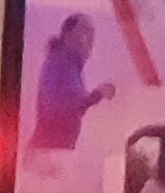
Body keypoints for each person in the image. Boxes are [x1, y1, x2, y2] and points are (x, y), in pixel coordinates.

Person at [30, 11, 114, 159]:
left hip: (54, 150)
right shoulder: (62, 62)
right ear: (67, 35)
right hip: (50, 152)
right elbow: (57, 108)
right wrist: (97, 95)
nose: (90, 38)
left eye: (92, 32)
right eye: (85, 30)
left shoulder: (68, 63)